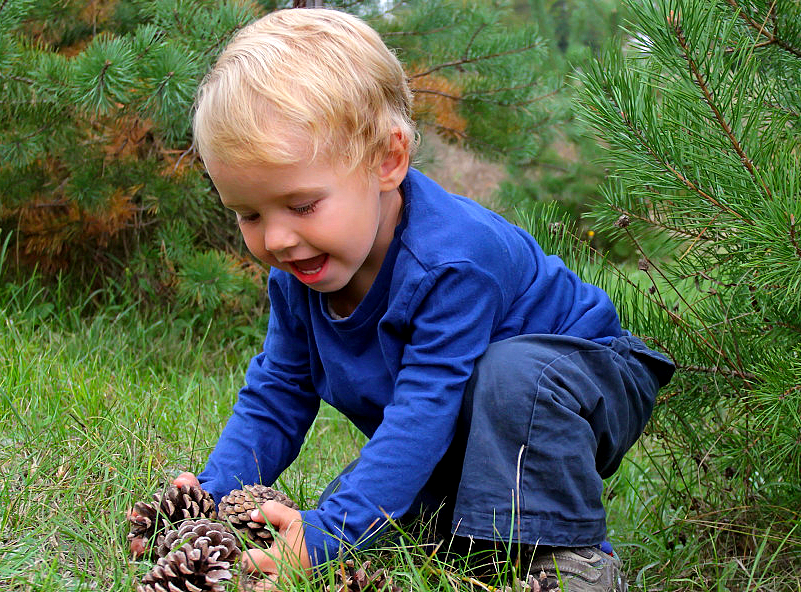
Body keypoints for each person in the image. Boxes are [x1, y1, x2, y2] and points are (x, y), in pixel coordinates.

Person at [173, 7, 675, 591]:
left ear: (388, 161)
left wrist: (326, 533)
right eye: (249, 214)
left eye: (303, 205)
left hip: (584, 378)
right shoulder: (299, 273)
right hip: (467, 404)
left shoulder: (451, 261)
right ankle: (470, 535)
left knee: (509, 377)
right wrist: (205, 506)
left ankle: (569, 558)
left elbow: (422, 411)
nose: (277, 239)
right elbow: (279, 392)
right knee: (377, 512)